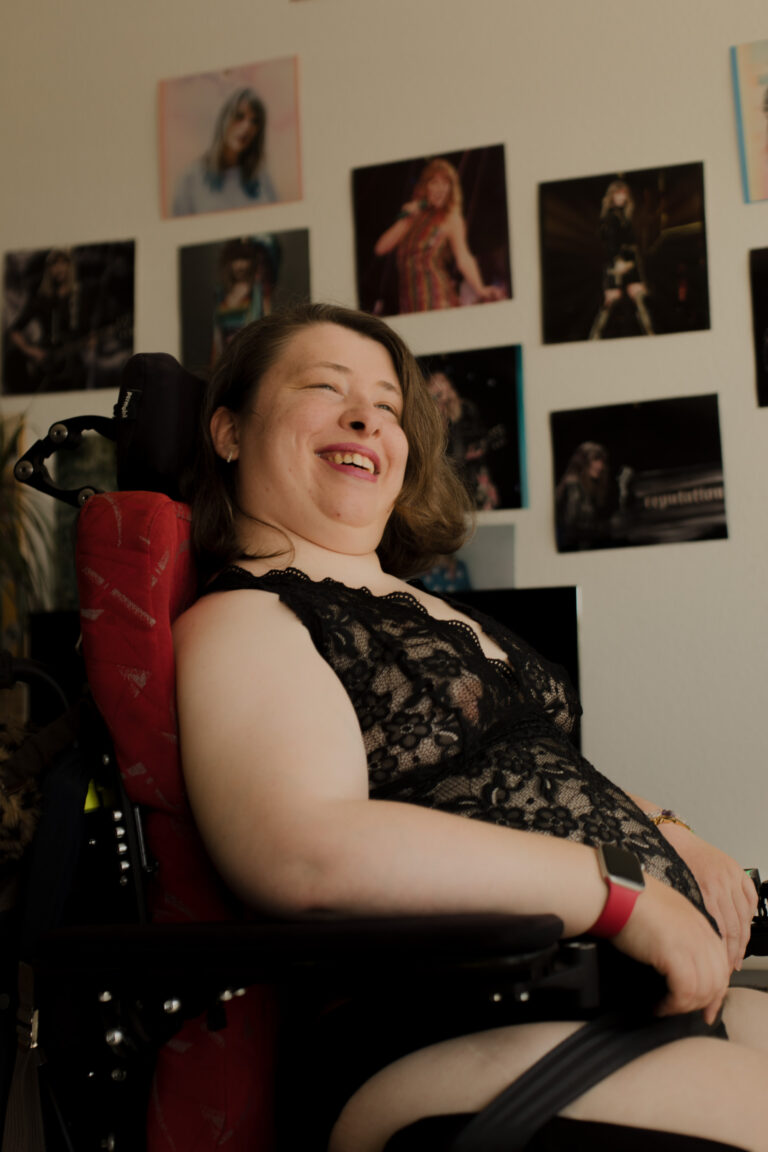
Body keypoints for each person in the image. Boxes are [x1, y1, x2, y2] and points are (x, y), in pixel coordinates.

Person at [174, 302, 767, 1152]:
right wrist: (621, 891)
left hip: (605, 999)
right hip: (446, 1031)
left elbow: (525, 776)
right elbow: (303, 849)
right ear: (230, 431)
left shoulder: (430, 610)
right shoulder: (249, 618)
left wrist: (674, 835)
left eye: (387, 404)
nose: (365, 417)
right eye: (324, 388)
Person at [373, 158, 506, 314]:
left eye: (445, 183)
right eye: (434, 182)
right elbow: (380, 248)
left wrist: (480, 288)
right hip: (409, 301)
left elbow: (463, 257)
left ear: (451, 188)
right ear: (425, 186)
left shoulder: (451, 217)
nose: (440, 189)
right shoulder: (414, 216)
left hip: (436, 298)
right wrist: (407, 219)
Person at [171, 87, 277, 217]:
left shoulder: (261, 178)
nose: (247, 127)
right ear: (224, 119)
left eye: (254, 121)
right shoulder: (191, 179)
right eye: (239, 117)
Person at [4, 248, 91, 393]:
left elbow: (89, 331)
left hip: (75, 366)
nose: (59, 268)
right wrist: (31, 351)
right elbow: (14, 330)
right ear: (48, 269)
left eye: (63, 262)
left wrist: (90, 341)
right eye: (54, 264)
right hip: (48, 365)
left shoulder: (80, 297)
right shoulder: (42, 299)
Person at [426, 367, 505, 510]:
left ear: (449, 386)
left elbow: (479, 436)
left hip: (473, 476)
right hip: (445, 480)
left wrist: (480, 449)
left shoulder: (466, 408)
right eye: (433, 383)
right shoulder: (428, 417)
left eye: (442, 381)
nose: (438, 386)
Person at [589, 179, 654, 339]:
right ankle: (594, 336)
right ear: (612, 196)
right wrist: (617, 260)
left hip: (630, 262)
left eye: (623, 194)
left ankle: (650, 334)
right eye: (618, 194)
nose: (621, 197)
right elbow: (610, 242)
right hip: (617, 262)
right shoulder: (611, 217)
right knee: (611, 301)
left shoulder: (623, 216)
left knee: (637, 298)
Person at [210, 236, 279, 366]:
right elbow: (217, 335)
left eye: (245, 259)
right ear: (228, 263)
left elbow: (268, 328)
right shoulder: (220, 294)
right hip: (226, 363)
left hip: (251, 361)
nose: (240, 265)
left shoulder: (259, 292)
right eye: (235, 259)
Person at [555, 440, 619, 551]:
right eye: (595, 460)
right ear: (583, 462)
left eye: (602, 461)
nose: (600, 466)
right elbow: (571, 527)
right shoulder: (573, 486)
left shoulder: (589, 485)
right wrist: (608, 526)